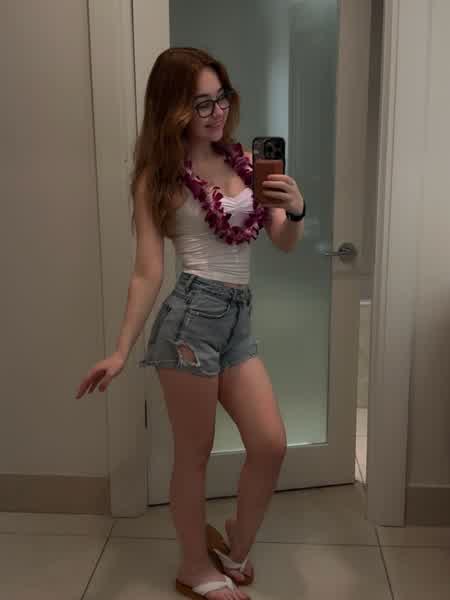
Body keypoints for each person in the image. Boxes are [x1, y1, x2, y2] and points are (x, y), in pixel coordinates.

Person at [76, 47, 305, 600]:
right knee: (194, 454)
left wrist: (296, 209)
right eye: (201, 102)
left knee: (270, 444)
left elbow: (282, 241)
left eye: (221, 97)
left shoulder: (245, 162)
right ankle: (194, 567)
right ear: (173, 107)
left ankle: (235, 544)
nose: (216, 112)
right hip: (190, 322)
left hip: (238, 319)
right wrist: (121, 349)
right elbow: (147, 272)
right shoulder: (158, 176)